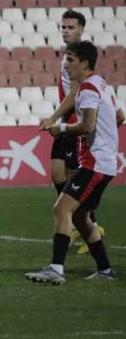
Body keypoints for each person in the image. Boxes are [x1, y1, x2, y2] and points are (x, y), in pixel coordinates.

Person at [27, 41, 118, 285]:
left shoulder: (88, 89)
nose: (66, 65)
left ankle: (56, 269)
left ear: (85, 63)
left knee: (61, 209)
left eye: (70, 60)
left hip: (95, 164)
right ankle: (105, 271)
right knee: (80, 217)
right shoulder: (101, 84)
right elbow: (119, 117)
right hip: (102, 161)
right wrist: (106, 139)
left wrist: (61, 129)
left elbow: (87, 125)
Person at [39, 10, 104, 254]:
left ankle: (88, 223)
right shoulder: (68, 56)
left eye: (71, 27)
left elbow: (76, 93)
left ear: (81, 29)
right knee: (58, 172)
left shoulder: (78, 58)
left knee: (74, 173)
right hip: (67, 120)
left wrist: (54, 118)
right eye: (63, 26)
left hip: (75, 123)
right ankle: (80, 220)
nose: (65, 30)